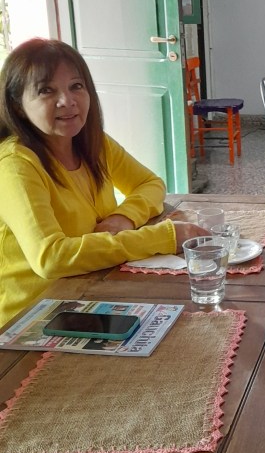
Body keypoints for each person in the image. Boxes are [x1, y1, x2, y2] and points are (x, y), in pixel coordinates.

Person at [0, 38, 206, 328]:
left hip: (95, 290)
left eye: (76, 86)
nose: (67, 101)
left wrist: (124, 216)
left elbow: (150, 183)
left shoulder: (92, 143)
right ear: (17, 105)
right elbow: (50, 258)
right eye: (46, 90)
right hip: (32, 319)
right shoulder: (15, 165)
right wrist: (163, 237)